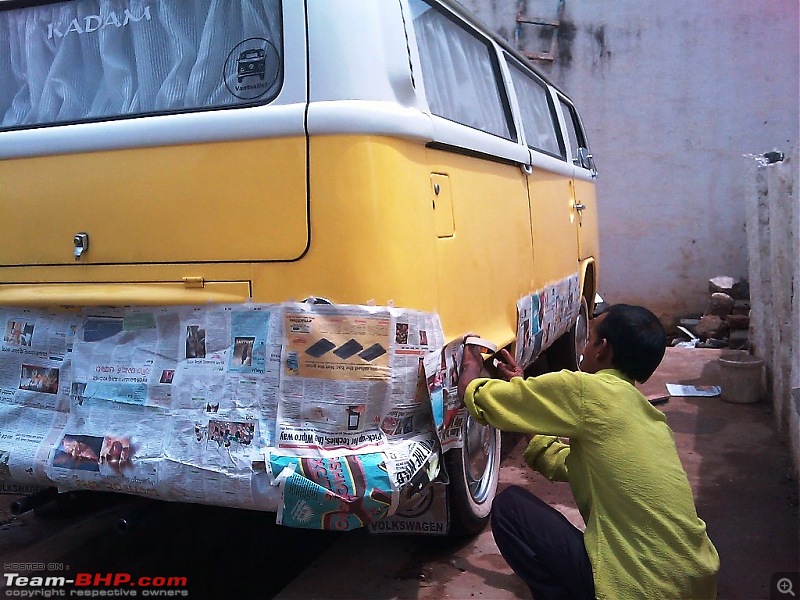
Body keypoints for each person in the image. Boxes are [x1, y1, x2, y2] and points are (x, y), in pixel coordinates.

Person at [458, 304, 719, 600]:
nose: (583, 345)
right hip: (695, 584)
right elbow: (568, 464)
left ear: (603, 349)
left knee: (510, 508)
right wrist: (520, 384)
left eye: (590, 336)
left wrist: (469, 372)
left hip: (641, 589)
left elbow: (484, 400)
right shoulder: (650, 420)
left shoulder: (587, 390)